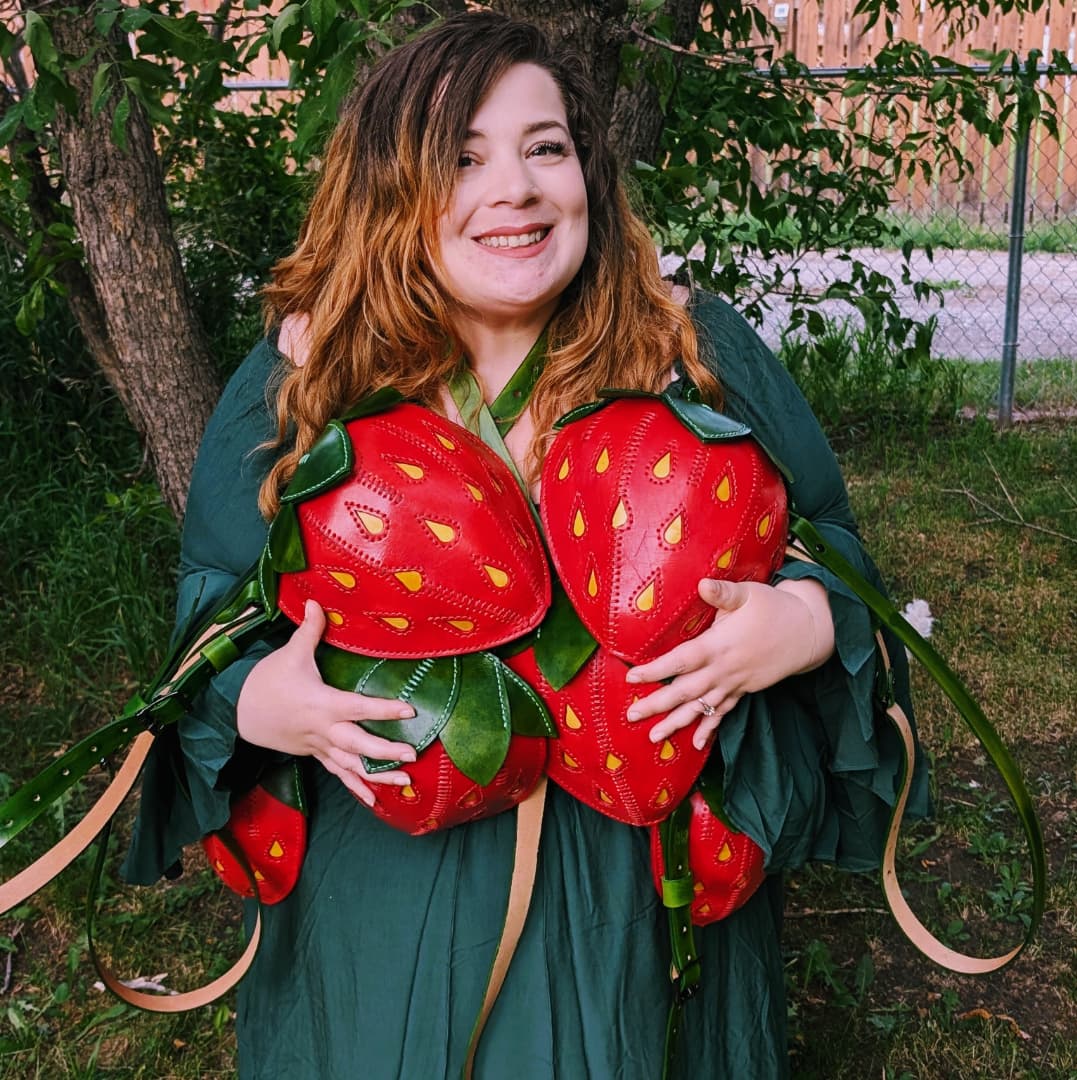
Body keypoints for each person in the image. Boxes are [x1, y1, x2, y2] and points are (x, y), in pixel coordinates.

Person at [125, 12, 927, 1078]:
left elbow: (833, 550)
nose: (515, 188)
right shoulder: (302, 376)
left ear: (588, 172)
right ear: (391, 189)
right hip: (392, 889)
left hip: (634, 897)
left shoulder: (692, 349)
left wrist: (805, 623)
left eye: (544, 147)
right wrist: (260, 705)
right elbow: (211, 618)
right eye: (464, 158)